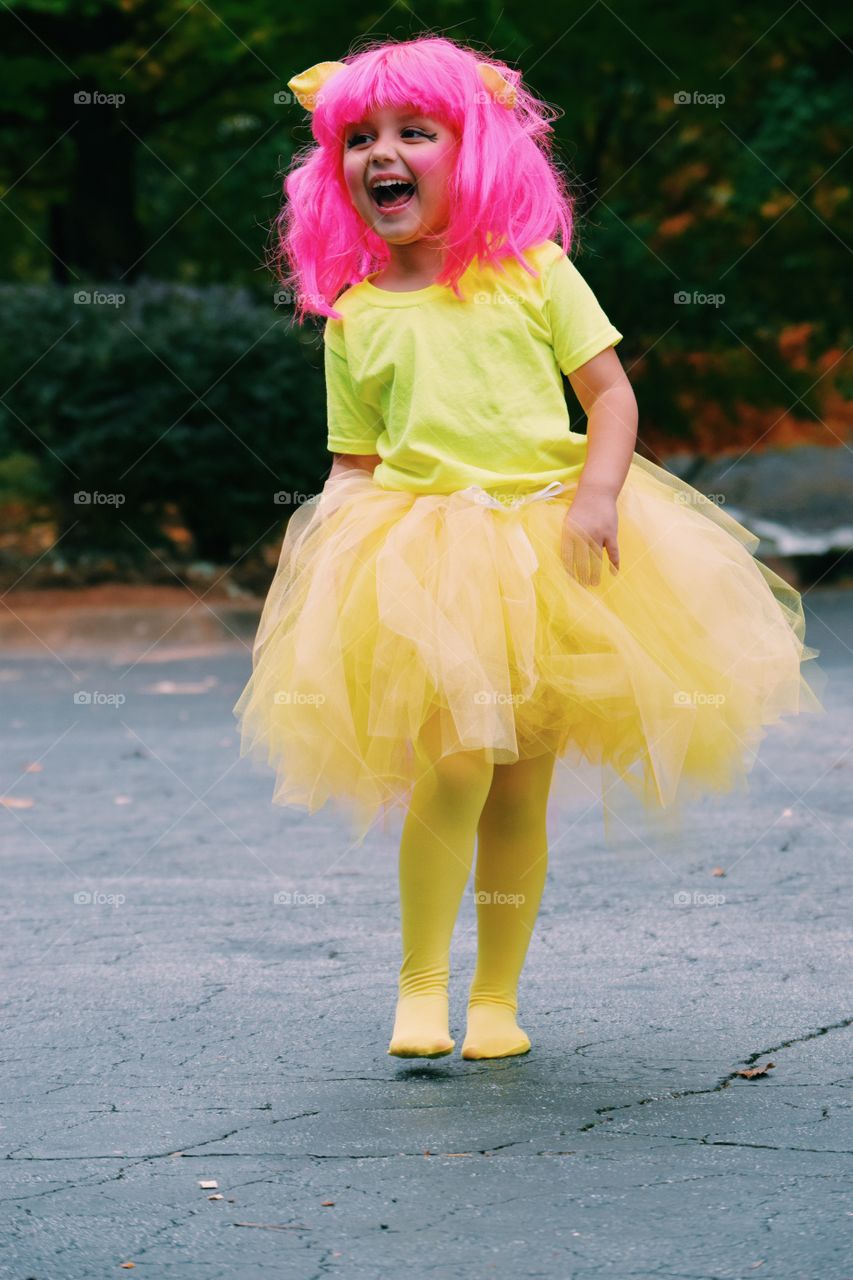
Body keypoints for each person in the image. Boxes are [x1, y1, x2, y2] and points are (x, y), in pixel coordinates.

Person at [232, 35, 826, 1063]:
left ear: (478, 153)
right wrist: (321, 555)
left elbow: (610, 397)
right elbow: (353, 461)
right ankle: (421, 983)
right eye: (360, 138)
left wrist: (598, 498)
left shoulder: (531, 274)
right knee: (451, 766)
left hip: (548, 545)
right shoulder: (358, 315)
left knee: (521, 782)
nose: (384, 153)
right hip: (421, 557)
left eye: (415, 132)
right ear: (337, 173)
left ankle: (496, 996)